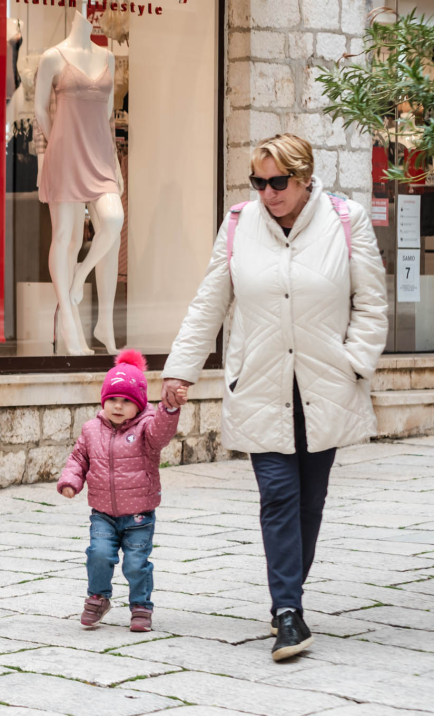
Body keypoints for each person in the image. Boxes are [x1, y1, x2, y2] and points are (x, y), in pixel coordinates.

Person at [161, 134, 387, 661]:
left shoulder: (345, 220)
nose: (267, 192)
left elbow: (372, 303)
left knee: (311, 502)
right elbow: (209, 302)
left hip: (324, 385)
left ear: (305, 177)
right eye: (258, 182)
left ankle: (290, 601)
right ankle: (287, 612)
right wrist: (181, 370)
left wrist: (354, 361)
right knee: (279, 498)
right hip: (260, 384)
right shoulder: (239, 223)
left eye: (278, 182)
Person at [57, 350, 182, 633]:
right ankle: (98, 597)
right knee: (98, 554)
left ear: (139, 404)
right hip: (103, 513)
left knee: (136, 563)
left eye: (126, 401)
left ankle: (141, 606)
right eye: (112, 399)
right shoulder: (91, 430)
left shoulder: (147, 430)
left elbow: (162, 431)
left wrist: (169, 409)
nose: (117, 406)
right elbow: (78, 459)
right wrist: (70, 481)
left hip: (139, 515)